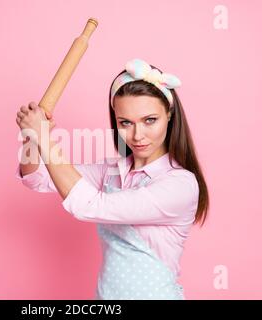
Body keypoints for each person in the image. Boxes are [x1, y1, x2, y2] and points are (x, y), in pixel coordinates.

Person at [15, 58, 209, 300]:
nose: (138, 135)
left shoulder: (180, 185)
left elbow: (91, 206)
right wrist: (31, 137)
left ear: (169, 115)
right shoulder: (111, 171)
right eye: (125, 123)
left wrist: (45, 138)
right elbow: (35, 177)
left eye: (150, 120)